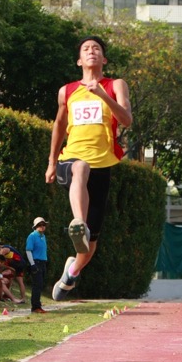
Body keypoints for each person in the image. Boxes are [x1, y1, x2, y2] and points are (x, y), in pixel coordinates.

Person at [46, 36, 132, 301]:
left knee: (91, 245)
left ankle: (71, 272)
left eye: (96, 49)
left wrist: (103, 95)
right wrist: (51, 162)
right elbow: (59, 126)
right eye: (86, 49)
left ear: (103, 59)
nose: (91, 51)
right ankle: (78, 223)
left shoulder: (115, 85)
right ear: (79, 60)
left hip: (103, 163)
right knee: (80, 168)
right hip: (70, 159)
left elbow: (126, 120)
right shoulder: (67, 91)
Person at [25, 217, 48, 313]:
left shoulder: (43, 236)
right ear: (35, 227)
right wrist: (32, 264)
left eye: (43, 225)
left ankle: (37, 305)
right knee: (37, 285)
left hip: (42, 262)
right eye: (40, 225)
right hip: (36, 262)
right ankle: (35, 307)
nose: (42, 227)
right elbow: (28, 250)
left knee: (40, 284)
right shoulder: (32, 236)